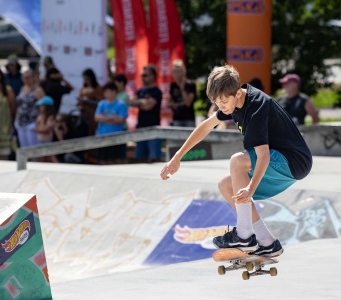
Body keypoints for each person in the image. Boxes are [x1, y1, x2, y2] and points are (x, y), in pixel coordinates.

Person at [160, 65, 313, 258]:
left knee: (237, 161)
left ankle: (244, 235)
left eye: (224, 101)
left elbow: (263, 156)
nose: (222, 107)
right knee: (226, 185)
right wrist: (177, 158)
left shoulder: (256, 106)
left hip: (293, 160)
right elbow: (206, 126)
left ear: (238, 93)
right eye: (217, 102)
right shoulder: (231, 103)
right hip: (282, 164)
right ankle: (267, 242)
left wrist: (250, 188)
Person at [129, 65, 163, 162]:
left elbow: (148, 107)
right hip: (141, 128)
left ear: (152, 76)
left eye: (145, 75)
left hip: (153, 128)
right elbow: (131, 102)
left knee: (155, 158)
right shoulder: (140, 90)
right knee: (140, 158)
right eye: (142, 75)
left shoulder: (157, 91)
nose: (143, 77)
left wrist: (139, 103)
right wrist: (143, 102)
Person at [95, 82, 128, 165]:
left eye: (107, 91)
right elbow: (96, 118)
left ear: (114, 91)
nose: (105, 94)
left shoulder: (121, 104)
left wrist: (104, 118)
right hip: (102, 136)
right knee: (103, 161)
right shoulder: (102, 103)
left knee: (117, 161)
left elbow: (121, 120)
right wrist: (112, 117)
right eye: (104, 92)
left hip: (116, 137)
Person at [15, 69, 45, 148]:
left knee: (32, 149)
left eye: (28, 78)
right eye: (24, 78)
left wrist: (40, 121)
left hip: (32, 122)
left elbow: (44, 107)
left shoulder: (38, 90)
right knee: (23, 148)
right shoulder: (23, 89)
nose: (26, 80)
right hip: (21, 122)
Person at [169, 60, 197, 127]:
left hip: (188, 118)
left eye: (179, 71)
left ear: (184, 72)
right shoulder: (173, 86)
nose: (177, 74)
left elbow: (188, 103)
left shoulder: (190, 85)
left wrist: (182, 88)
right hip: (177, 118)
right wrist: (175, 105)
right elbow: (168, 103)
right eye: (175, 71)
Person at [78, 68, 104, 137]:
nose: (86, 81)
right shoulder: (82, 89)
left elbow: (100, 103)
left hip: (93, 114)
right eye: (84, 79)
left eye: (87, 79)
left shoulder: (98, 88)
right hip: (84, 114)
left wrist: (88, 100)